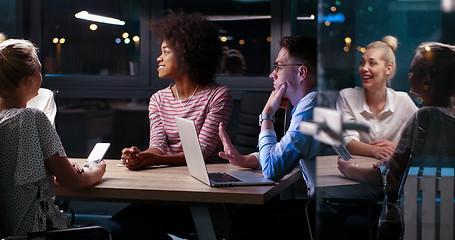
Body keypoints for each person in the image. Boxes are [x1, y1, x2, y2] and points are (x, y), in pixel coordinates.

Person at [338, 42, 455, 240]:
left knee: (347, 224)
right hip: (442, 223)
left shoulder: (424, 117)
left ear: (426, 82)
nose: (408, 75)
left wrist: (351, 170)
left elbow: (391, 178)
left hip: (405, 225)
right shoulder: (450, 117)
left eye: (412, 71)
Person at [0, 39, 106, 237]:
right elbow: (74, 182)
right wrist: (97, 171)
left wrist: (52, 169)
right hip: (39, 233)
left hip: (9, 234)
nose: (42, 77)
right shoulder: (31, 117)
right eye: (39, 71)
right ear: (30, 81)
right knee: (135, 225)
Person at [218, 35, 319, 239]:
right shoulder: (313, 102)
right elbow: (289, 151)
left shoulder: (311, 107)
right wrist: (249, 159)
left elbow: (273, 169)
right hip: (328, 207)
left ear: (301, 72)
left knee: (247, 222)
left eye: (279, 67)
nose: (272, 74)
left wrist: (267, 115)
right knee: (248, 215)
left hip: (328, 214)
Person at [120, 11, 232, 170]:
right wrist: (141, 156)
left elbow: (201, 152)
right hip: (169, 173)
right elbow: (158, 144)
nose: (159, 58)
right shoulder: (158, 99)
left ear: (187, 55)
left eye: (166, 52)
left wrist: (155, 160)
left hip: (209, 175)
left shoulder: (218, 96)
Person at [337, 36, 418, 160]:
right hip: (357, 170)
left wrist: (397, 145)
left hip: (392, 172)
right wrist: (375, 150)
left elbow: (424, 137)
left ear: (388, 68)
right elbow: (347, 141)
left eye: (372, 63)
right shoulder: (347, 97)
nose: (364, 68)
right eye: (362, 62)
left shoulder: (403, 101)